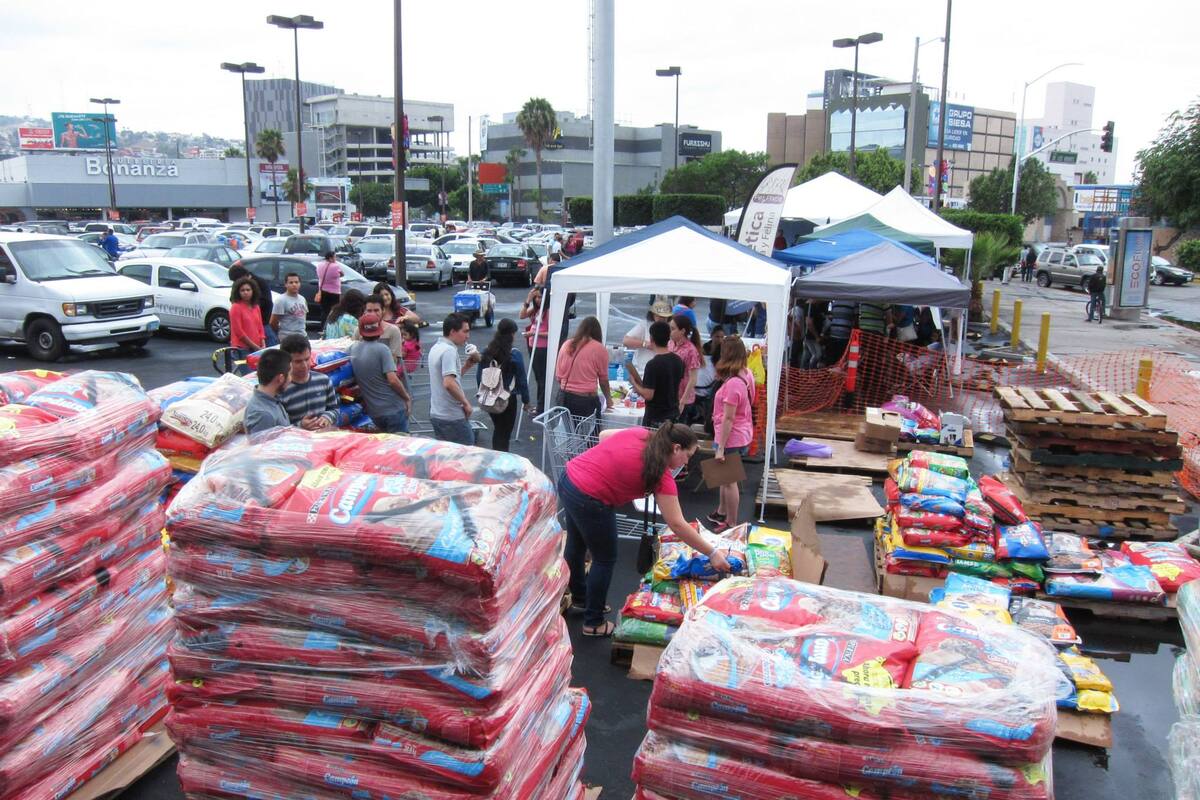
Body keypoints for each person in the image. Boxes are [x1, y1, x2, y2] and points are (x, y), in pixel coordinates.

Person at [559, 423, 733, 636]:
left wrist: (613, 467)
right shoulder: (661, 476)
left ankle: (581, 598)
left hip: (570, 478)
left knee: (576, 546)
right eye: (688, 455)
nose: (687, 462)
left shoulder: (643, 435)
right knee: (604, 558)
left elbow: (604, 435)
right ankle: (593, 623)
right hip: (590, 497)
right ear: (676, 448)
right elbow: (677, 524)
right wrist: (712, 553)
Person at [708, 336, 756, 532]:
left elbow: (729, 418)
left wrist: (720, 447)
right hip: (740, 432)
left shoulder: (733, 383)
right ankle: (721, 512)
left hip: (730, 437)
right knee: (724, 477)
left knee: (729, 481)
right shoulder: (746, 374)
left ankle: (731, 522)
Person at [349, 313, 412, 433]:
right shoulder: (383, 349)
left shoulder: (353, 349)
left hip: (374, 413)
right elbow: (392, 379)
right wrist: (406, 397)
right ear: (379, 331)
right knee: (398, 447)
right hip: (393, 409)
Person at [476, 319, 533, 452]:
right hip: (507, 398)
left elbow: (480, 377)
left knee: (498, 429)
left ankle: (497, 455)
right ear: (512, 334)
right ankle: (501, 458)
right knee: (505, 432)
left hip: (490, 397)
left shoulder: (487, 352)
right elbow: (522, 380)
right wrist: (526, 400)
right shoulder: (514, 354)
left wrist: (485, 392)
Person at [428, 312, 482, 445]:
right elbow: (449, 383)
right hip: (452, 416)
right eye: (465, 331)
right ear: (453, 331)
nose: (468, 336)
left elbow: (447, 380)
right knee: (465, 457)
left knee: (445, 458)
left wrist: (466, 367)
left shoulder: (436, 347)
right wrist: (466, 403)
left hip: (437, 414)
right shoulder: (449, 351)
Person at [555, 316, 612, 426]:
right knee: (589, 437)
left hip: (564, 397)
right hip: (585, 401)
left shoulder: (566, 344)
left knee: (568, 433)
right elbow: (603, 380)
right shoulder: (599, 349)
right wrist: (608, 399)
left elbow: (558, 376)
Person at [625, 321, 684, 428]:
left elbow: (648, 395)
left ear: (651, 339)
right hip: (673, 414)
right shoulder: (678, 360)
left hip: (656, 417)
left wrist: (634, 383)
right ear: (669, 338)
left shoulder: (653, 365)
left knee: (654, 444)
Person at [278, 334, 339, 430]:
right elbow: (278, 427)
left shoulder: (323, 381)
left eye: (307, 359)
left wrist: (327, 418)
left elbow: (334, 409)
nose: (304, 365)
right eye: (298, 362)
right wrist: (300, 426)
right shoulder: (280, 390)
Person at [243, 349, 292, 434]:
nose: (291, 379)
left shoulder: (273, 399)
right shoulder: (264, 415)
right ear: (281, 378)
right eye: (290, 374)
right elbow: (262, 446)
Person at [622, 298, 675, 374]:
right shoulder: (645, 325)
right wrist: (646, 344)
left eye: (664, 317)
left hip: (665, 369)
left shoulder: (671, 326)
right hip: (644, 369)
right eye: (659, 316)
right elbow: (626, 341)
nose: (662, 319)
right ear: (653, 315)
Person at [668, 313, 704, 421]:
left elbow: (693, 379)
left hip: (683, 398)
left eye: (673, 329)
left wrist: (683, 400)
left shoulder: (691, 350)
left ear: (682, 331)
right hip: (671, 395)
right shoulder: (670, 343)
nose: (670, 331)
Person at [520, 285, 550, 411]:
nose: (538, 299)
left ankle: (541, 407)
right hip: (532, 344)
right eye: (536, 297)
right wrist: (528, 300)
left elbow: (552, 333)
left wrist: (534, 333)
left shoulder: (548, 311)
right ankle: (540, 406)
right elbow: (521, 315)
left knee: (542, 378)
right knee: (538, 377)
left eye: (541, 297)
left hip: (542, 347)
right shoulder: (536, 309)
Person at [353, 294, 405, 363]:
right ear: (364, 312)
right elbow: (353, 354)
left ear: (383, 310)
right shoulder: (358, 330)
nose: (373, 314)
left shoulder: (393, 330)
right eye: (369, 311)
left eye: (376, 310)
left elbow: (395, 359)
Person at [228, 277, 265, 371]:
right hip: (242, 349)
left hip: (257, 348)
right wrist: (256, 347)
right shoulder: (236, 308)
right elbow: (239, 333)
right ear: (238, 292)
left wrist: (263, 343)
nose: (245, 292)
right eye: (242, 290)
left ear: (253, 291)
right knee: (248, 376)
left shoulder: (256, 306)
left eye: (248, 290)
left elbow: (260, 327)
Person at [693, 326, 725, 425]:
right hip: (702, 384)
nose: (719, 339)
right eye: (717, 336)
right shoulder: (704, 349)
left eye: (721, 337)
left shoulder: (723, 352)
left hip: (710, 383)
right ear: (711, 336)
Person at [269, 272, 308, 340]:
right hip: (287, 338)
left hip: (303, 336)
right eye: (291, 282)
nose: (294, 285)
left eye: (296, 282)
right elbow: (273, 323)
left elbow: (304, 317)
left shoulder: (302, 298)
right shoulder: (281, 300)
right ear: (286, 284)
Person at [823, 300, 857, 365]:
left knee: (831, 360)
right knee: (841, 360)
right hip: (845, 336)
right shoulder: (854, 302)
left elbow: (831, 316)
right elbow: (856, 320)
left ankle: (830, 374)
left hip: (833, 333)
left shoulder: (835, 301)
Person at [316, 250, 343, 326]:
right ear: (331, 258)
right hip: (334, 292)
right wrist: (335, 263)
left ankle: (323, 327)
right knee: (334, 310)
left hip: (322, 291)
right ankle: (332, 326)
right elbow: (342, 274)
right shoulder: (335, 266)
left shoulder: (320, 265)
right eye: (335, 257)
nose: (336, 259)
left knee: (324, 311)